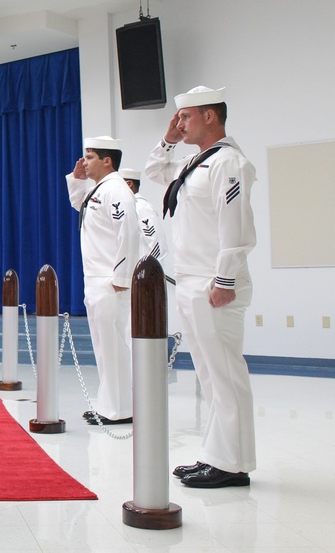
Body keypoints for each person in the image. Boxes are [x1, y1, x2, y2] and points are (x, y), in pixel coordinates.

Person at [145, 85, 257, 489]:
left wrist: (225, 279)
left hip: (214, 281)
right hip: (192, 279)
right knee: (210, 376)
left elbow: (237, 228)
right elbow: (155, 173)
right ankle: (218, 456)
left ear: (210, 116)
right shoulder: (196, 161)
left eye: (186, 117)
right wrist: (167, 141)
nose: (180, 123)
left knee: (225, 374)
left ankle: (232, 463)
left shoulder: (230, 163)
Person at [66, 136, 139, 426]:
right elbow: (79, 205)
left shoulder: (117, 190)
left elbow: (129, 232)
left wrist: (122, 275)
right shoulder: (99, 189)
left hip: (111, 281)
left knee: (113, 346)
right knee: (103, 347)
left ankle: (119, 409)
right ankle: (110, 405)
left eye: (90, 157)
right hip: (95, 278)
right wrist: (76, 178)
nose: (84, 161)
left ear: (107, 160)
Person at [119, 168, 168, 263]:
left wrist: (150, 270)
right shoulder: (128, 206)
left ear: (129, 184)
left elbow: (157, 243)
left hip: (142, 273)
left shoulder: (141, 207)